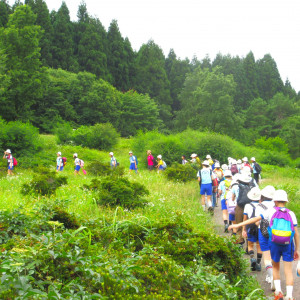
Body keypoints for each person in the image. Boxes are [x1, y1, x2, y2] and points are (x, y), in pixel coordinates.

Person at [229, 190, 299, 300]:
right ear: (286, 201)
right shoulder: (291, 214)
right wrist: (297, 249)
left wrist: (238, 225)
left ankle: (278, 291)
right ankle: (289, 296)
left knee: (275, 267)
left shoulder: (270, 211)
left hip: (274, 243)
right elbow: (296, 233)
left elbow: (254, 219)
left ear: (275, 200)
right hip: (288, 244)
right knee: (288, 271)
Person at [255, 185, 276, 289]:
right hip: (276, 232)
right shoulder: (276, 205)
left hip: (262, 231)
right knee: (273, 255)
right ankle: (274, 278)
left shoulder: (259, 206)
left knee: (266, 256)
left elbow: (257, 222)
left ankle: (270, 276)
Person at [231, 172, 257, 245]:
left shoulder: (235, 187)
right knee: (247, 226)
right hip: (249, 207)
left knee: (239, 224)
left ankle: (240, 242)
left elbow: (232, 198)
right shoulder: (252, 187)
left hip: (239, 207)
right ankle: (248, 247)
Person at [243, 187, 262, 271]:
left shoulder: (247, 205)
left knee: (250, 245)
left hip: (250, 227)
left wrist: (244, 229)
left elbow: (245, 218)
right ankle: (258, 263)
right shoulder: (262, 205)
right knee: (259, 246)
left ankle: (252, 259)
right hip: (259, 227)